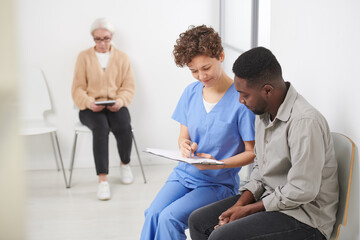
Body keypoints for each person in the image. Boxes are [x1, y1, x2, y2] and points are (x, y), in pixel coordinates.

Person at [188, 47, 339, 240]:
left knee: (222, 237)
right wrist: (239, 206)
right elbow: (261, 169)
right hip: (271, 199)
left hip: (306, 218)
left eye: (245, 94)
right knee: (199, 221)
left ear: (267, 90)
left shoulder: (305, 122)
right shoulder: (263, 114)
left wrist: (250, 210)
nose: (240, 101)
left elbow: (302, 189)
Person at [140, 25, 256, 240]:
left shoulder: (241, 101)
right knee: (153, 214)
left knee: (169, 219)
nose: (201, 76)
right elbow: (184, 136)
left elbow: (252, 152)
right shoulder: (190, 93)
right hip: (184, 175)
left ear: (221, 56)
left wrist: (219, 164)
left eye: (206, 68)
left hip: (217, 183)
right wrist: (185, 146)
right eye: (194, 71)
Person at [72, 18, 135, 201]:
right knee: (100, 128)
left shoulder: (122, 57)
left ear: (112, 37)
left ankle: (125, 163)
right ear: (93, 38)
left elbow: (129, 86)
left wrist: (121, 100)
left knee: (124, 125)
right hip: (90, 106)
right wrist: (88, 101)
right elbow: (77, 88)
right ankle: (103, 179)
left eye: (106, 38)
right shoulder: (83, 57)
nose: (102, 43)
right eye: (98, 39)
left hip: (115, 103)